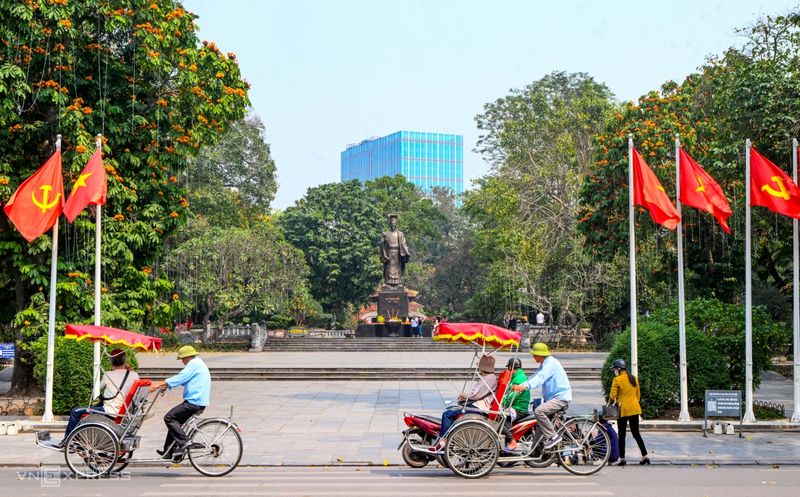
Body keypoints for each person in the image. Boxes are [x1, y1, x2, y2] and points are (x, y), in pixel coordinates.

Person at [59, 348, 140, 446]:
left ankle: (68, 440)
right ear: (125, 360)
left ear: (111, 362)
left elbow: (98, 387)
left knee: (76, 411)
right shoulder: (134, 375)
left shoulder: (108, 375)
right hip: (125, 411)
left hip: (110, 411)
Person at [149, 345, 211, 458]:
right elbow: (184, 379)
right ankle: (169, 452)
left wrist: (161, 383)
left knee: (169, 418)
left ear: (188, 356)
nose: (182, 362)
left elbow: (181, 377)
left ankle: (185, 442)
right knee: (175, 423)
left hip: (194, 402)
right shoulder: (198, 364)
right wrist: (167, 385)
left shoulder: (194, 364)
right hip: (198, 401)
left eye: (182, 359)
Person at [429, 354, 497, 452]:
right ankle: (447, 438)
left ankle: (443, 441)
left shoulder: (489, 378)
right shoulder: (490, 377)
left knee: (447, 415)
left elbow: (475, 395)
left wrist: (463, 394)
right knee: (452, 410)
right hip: (476, 405)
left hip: (478, 408)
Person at [511, 342, 572, 449]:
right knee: (539, 424)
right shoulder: (545, 363)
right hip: (552, 398)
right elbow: (535, 375)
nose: (533, 357)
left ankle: (553, 437)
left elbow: (540, 377)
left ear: (540, 354)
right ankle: (536, 450)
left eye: (534, 355)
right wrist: (522, 385)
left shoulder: (551, 363)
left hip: (560, 398)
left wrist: (526, 386)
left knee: (539, 411)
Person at [609, 359, 650, 465]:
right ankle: (644, 455)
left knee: (622, 435)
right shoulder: (634, 378)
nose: (614, 371)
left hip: (623, 410)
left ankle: (622, 459)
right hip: (635, 409)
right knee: (636, 433)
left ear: (618, 369)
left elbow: (612, 397)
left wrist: (613, 402)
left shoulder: (617, 380)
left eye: (614, 369)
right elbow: (638, 395)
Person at [500, 357, 530, 452]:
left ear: (510, 367)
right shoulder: (515, 376)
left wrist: (500, 401)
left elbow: (512, 397)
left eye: (508, 367)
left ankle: (511, 441)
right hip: (514, 406)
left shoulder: (519, 379)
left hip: (518, 408)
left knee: (502, 419)